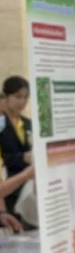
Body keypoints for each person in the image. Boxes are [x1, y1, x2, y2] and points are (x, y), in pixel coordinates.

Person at [0, 76, 33, 216]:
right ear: (6, 97)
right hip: (7, 188)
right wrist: (22, 158)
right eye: (18, 97)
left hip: (27, 189)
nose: (22, 102)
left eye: (26, 97)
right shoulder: (2, 124)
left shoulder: (28, 124)